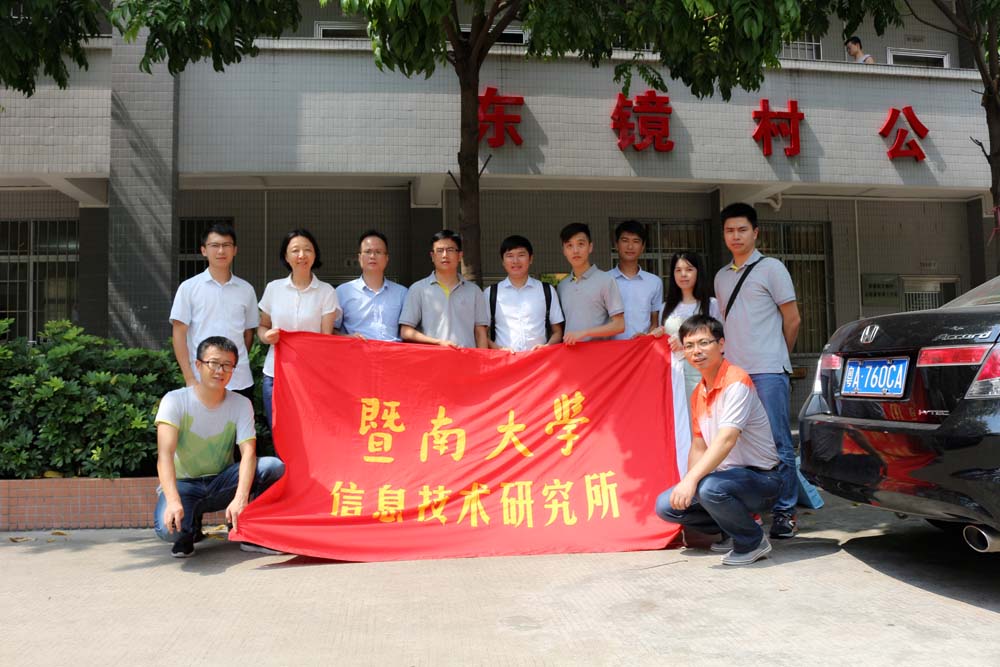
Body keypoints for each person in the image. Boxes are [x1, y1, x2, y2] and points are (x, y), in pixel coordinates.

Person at [654, 316, 782, 566]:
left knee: (709, 488)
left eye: (704, 343)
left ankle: (752, 541)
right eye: (689, 345)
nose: (696, 351)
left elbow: (726, 440)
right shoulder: (698, 393)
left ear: (721, 344)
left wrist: (692, 481)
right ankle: (732, 530)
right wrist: (687, 484)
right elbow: (698, 447)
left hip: (761, 479)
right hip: (725, 480)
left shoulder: (737, 381)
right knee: (666, 506)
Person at [714, 202, 801, 539]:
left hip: (767, 371)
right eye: (729, 230)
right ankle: (750, 511)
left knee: (779, 443)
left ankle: (785, 512)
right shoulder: (721, 277)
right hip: (735, 374)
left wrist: (778, 354)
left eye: (742, 230)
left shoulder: (772, 269)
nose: (735, 236)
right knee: (740, 444)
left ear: (755, 232)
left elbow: (792, 319)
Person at [153, 336, 285, 558]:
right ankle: (190, 529)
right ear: (198, 365)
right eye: (213, 363)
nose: (220, 371)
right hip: (185, 484)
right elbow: (165, 456)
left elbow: (248, 453)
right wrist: (173, 501)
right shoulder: (174, 401)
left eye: (227, 365)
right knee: (169, 531)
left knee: (272, 467)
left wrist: (241, 498)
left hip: (222, 481)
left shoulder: (241, 404)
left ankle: (249, 529)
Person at [257, 229, 340, 428]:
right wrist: (267, 336)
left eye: (307, 250)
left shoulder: (326, 292)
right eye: (295, 250)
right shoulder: (273, 288)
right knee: (280, 431)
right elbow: (262, 326)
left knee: (310, 432)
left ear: (315, 254)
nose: (302, 255)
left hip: (311, 376)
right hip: (276, 374)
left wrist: (350, 338)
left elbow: (326, 338)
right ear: (286, 257)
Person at [649, 252, 721, 476]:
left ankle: (708, 477)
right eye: (678, 270)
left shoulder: (711, 305)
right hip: (674, 376)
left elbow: (717, 340)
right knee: (681, 426)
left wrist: (687, 343)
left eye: (689, 269)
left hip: (702, 374)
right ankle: (684, 475)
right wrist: (657, 334)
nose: (683, 275)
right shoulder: (666, 307)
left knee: (705, 426)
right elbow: (665, 340)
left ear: (699, 272)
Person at [169, 222, 259, 401]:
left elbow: (248, 334)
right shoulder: (188, 288)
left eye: (226, 245)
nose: (221, 251)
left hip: (239, 379)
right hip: (201, 380)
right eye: (214, 245)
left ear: (235, 250)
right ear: (204, 250)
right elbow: (179, 334)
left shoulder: (246, 289)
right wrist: (189, 378)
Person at [400, 230, 489, 349]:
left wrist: (482, 359)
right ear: (432, 256)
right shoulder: (418, 289)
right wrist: (438, 342)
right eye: (439, 250)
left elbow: (480, 333)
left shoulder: (474, 291)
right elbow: (405, 331)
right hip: (432, 358)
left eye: (450, 250)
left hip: (466, 358)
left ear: (460, 255)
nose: (445, 255)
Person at [484, 235, 564, 352]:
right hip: (504, 359)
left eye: (521, 255)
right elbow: (481, 333)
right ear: (503, 261)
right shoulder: (491, 293)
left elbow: (558, 331)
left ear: (531, 259)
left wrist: (546, 347)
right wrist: (499, 349)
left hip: (539, 359)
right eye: (510, 256)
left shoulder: (547, 290)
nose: (515, 261)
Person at [556, 222, 625, 344]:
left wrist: (584, 333)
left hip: (597, 353)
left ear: (590, 247)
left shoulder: (606, 280)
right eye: (569, 245)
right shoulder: (562, 286)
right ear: (564, 251)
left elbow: (619, 325)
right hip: (569, 353)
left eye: (581, 244)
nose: (575, 250)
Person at [336, 230, 408, 342]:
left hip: (392, 351)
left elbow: (408, 332)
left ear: (387, 258)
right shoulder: (342, 292)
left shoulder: (402, 293)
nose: (372, 256)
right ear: (359, 257)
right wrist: (347, 338)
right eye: (368, 251)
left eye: (378, 252)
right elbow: (330, 330)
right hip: (356, 351)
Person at [610, 220, 662, 339]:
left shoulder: (654, 282)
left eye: (636, 241)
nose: (630, 246)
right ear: (616, 244)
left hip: (642, 347)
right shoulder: (604, 280)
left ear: (642, 247)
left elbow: (654, 322)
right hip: (611, 347)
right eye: (625, 240)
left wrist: (647, 337)